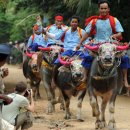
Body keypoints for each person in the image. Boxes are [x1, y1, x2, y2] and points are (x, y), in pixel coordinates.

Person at [76, 0, 130, 89]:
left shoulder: (114, 20)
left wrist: (115, 35)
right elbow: (87, 33)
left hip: (112, 44)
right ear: (99, 9)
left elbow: (120, 34)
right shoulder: (94, 21)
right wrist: (80, 43)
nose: (103, 10)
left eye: (105, 8)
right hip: (98, 44)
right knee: (87, 57)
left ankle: (125, 79)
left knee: (125, 58)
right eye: (102, 8)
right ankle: (85, 77)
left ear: (108, 9)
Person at [51, 16, 86, 88]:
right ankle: (53, 81)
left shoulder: (82, 31)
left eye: (76, 22)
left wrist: (82, 45)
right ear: (70, 23)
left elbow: (87, 42)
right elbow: (56, 37)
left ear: (78, 23)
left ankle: (86, 80)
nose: (74, 23)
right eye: (72, 22)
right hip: (67, 51)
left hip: (79, 51)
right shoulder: (65, 30)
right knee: (56, 63)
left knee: (88, 62)